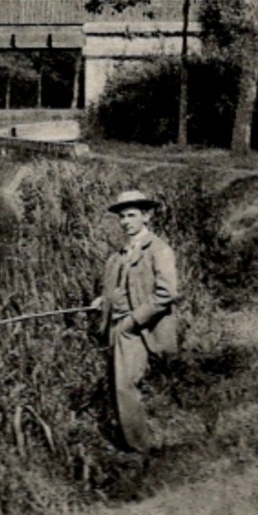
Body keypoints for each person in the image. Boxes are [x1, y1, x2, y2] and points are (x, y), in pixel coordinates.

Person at [91, 190, 180, 453]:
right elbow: (120, 285)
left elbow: (167, 293)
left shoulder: (159, 249)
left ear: (147, 217)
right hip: (120, 326)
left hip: (138, 328)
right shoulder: (121, 252)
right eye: (122, 217)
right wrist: (103, 300)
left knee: (125, 386)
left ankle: (140, 448)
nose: (126, 222)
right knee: (120, 384)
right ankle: (137, 440)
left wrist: (132, 320)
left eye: (132, 215)